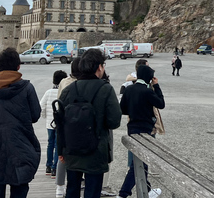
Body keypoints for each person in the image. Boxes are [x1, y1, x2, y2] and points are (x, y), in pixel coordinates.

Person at [0, 47, 41, 198]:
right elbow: (35, 116)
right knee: (19, 189)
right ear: (18, 67)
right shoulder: (27, 88)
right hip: (20, 148)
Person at [58, 49, 121, 198]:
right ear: (99, 67)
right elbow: (114, 121)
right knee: (92, 191)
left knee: (72, 189)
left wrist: (60, 150)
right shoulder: (105, 89)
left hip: (71, 149)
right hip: (96, 149)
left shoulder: (68, 89)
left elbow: (60, 124)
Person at [116, 64, 164, 198]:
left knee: (139, 160)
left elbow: (123, 109)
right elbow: (161, 104)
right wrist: (157, 86)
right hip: (145, 129)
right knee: (140, 162)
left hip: (132, 128)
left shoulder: (129, 89)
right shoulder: (148, 91)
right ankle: (123, 193)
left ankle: (147, 190)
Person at [55, 59, 81, 197]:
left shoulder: (64, 81)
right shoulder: (73, 84)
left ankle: (60, 186)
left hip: (62, 120)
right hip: (70, 122)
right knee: (64, 157)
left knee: (61, 155)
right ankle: (60, 186)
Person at [40, 70, 68, 177]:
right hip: (60, 123)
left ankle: (48, 165)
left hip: (49, 124)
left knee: (50, 144)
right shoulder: (64, 92)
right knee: (58, 144)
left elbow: (41, 106)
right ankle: (55, 168)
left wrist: (45, 116)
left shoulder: (48, 92)